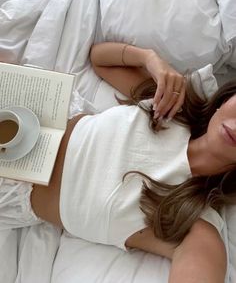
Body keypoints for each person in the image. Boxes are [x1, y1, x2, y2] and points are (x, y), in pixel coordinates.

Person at [1, 42, 236, 283]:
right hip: (31, 105)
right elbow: (100, 59)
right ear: (227, 98)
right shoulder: (173, 106)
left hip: (12, 184)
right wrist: (150, 58)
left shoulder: (196, 224)